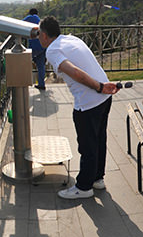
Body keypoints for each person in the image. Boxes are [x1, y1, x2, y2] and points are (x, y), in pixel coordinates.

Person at [37, 16, 120, 199]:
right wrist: (102, 87)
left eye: (38, 34)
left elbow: (75, 72)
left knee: (87, 145)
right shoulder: (71, 39)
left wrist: (98, 87)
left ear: (44, 35)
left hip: (90, 100)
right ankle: (97, 179)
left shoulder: (52, 50)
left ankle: (83, 187)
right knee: (99, 139)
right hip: (104, 98)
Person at [23, 8, 48, 90]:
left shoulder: (29, 17)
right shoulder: (40, 21)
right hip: (43, 45)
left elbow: (19, 24)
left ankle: (24, 83)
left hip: (34, 46)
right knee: (41, 66)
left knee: (25, 63)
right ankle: (41, 84)